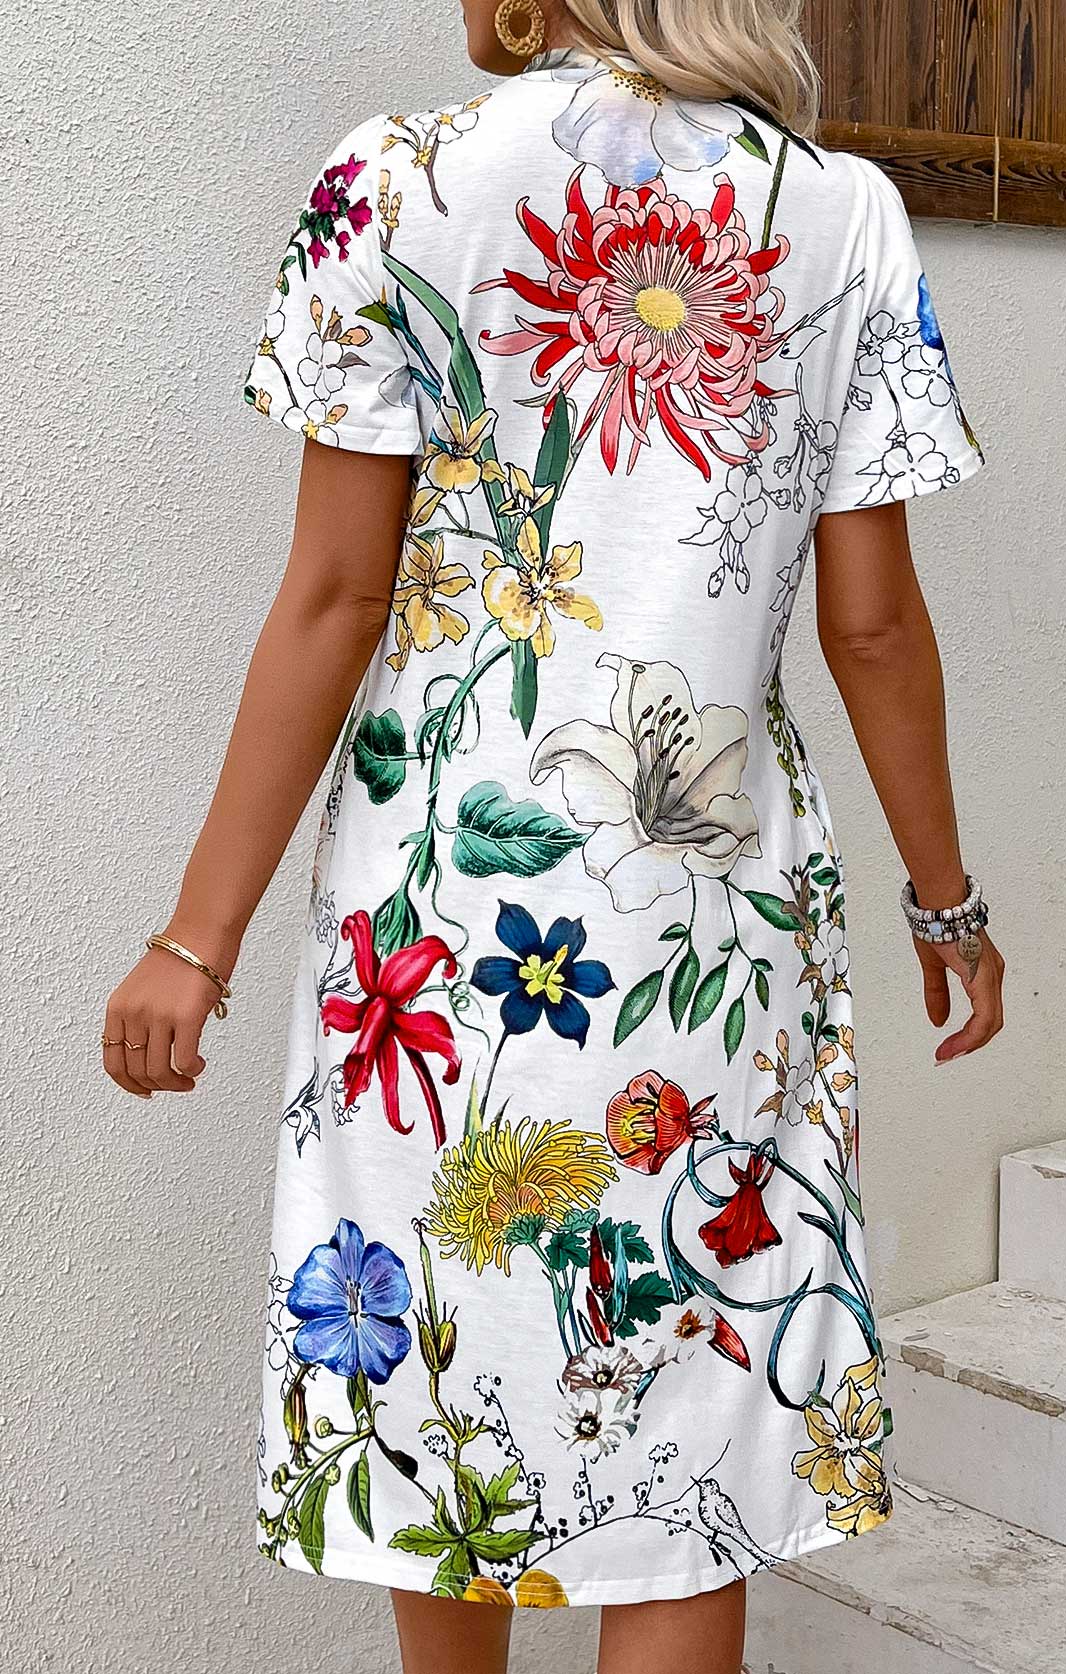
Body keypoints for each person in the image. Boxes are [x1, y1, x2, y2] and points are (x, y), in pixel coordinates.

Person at [102, 2, 1004, 1670]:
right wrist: (945, 904)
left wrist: (194, 938)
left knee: (451, 1390)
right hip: (709, 952)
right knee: (691, 1448)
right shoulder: (839, 212)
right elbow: (874, 628)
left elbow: (333, 596)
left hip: (436, 952)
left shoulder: (396, 181)